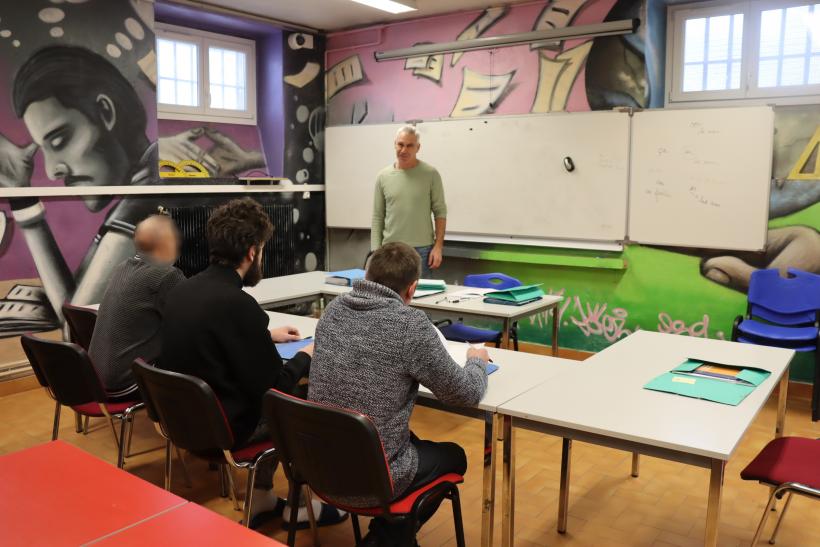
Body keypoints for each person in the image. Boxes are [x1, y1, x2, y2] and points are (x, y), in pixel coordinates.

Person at [159, 197, 345, 529]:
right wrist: (307, 354)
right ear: (251, 252)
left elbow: (212, 342)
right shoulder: (237, 305)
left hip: (186, 423)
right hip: (228, 430)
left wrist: (265, 335)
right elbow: (276, 389)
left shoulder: (182, 290)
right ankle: (305, 506)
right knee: (309, 405)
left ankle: (261, 498)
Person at [309, 241, 489, 545]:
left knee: (410, 439)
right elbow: (465, 393)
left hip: (320, 467)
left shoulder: (333, 311)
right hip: (373, 479)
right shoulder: (410, 326)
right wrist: (476, 362)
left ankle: (386, 538)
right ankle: (386, 538)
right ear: (412, 288)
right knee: (455, 456)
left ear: (368, 274)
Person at [88, 215, 185, 400]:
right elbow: (193, 319)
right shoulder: (166, 275)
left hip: (97, 378)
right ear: (166, 244)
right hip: (126, 382)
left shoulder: (122, 268)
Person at [371, 125, 447, 278]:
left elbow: (440, 212)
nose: (404, 150)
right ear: (395, 144)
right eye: (400, 144)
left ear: (417, 147)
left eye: (409, 145)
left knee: (420, 298)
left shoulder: (430, 174)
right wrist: (375, 251)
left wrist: (438, 247)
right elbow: (378, 216)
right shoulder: (383, 176)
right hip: (390, 250)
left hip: (422, 250)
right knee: (390, 297)